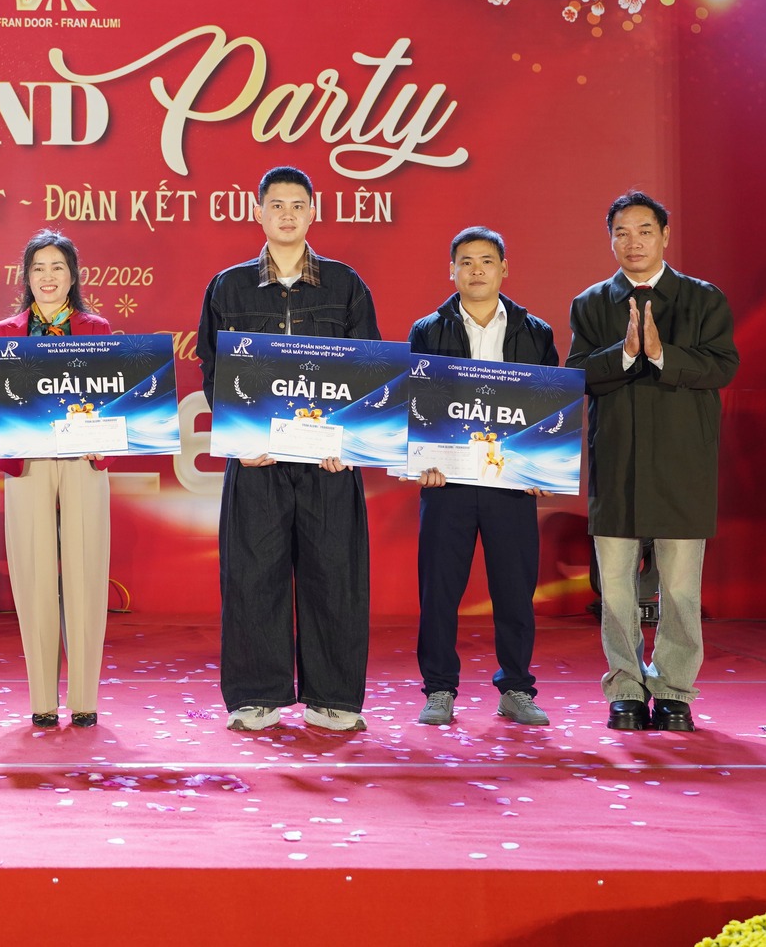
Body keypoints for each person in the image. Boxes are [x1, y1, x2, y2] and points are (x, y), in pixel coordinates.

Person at [196, 165, 380, 734]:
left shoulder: (345, 285)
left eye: (298, 205)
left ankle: (334, 697)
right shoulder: (227, 287)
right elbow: (214, 370)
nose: (287, 215)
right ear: (258, 212)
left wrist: (349, 442)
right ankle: (256, 695)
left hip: (329, 462)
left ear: (313, 212)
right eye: (276, 205)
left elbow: (368, 368)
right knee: (253, 575)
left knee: (335, 574)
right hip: (257, 460)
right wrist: (240, 440)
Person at [566, 191, 738, 733]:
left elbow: (723, 367)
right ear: (610, 240)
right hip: (617, 463)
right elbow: (575, 375)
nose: (633, 242)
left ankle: (673, 690)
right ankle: (625, 689)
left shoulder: (702, 299)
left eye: (644, 231)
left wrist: (662, 355)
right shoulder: (591, 303)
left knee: (681, 591)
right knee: (616, 590)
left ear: (665, 235)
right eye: (622, 232)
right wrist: (624, 354)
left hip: (682, 463)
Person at [405, 226, 559, 729]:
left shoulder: (535, 332)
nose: (476, 270)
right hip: (446, 483)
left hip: (510, 484)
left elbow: (549, 407)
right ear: (451, 270)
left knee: (515, 591)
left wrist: (542, 464)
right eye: (466, 262)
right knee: (439, 592)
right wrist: (420, 459)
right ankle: (439, 689)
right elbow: (415, 403)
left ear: (504, 268)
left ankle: (516, 688)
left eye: (487, 261)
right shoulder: (427, 330)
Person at [0, 229, 113, 729]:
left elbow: (112, 392)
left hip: (83, 459)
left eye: (58, 267)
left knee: (85, 571)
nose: (48, 276)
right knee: (33, 572)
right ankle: (42, 698)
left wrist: (108, 432)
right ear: (26, 277)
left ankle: (84, 699)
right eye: (38, 268)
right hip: (28, 461)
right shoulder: (4, 332)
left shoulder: (96, 328)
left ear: (73, 275)